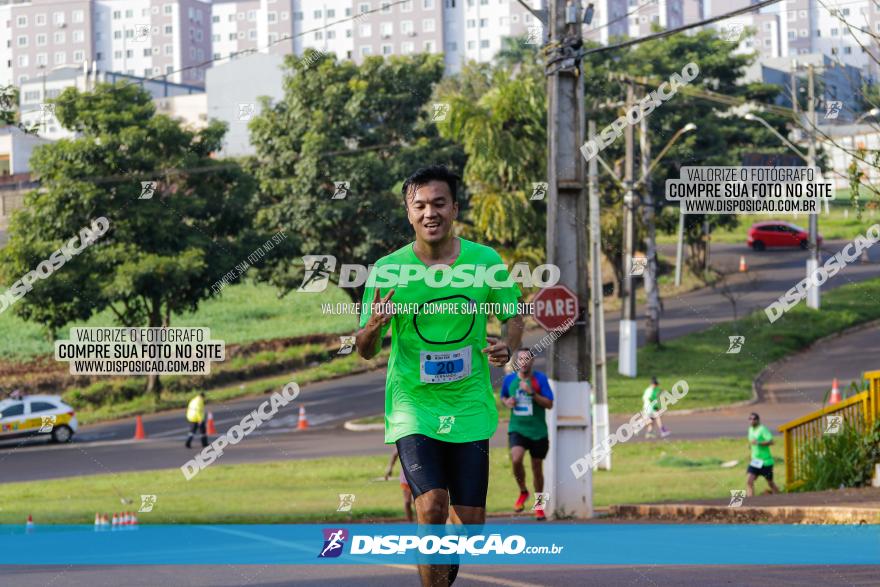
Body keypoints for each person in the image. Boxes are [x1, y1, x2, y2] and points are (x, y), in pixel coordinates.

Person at [356, 165, 524, 587]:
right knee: (431, 505)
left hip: (468, 404)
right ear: (408, 213)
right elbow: (365, 350)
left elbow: (513, 313)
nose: (430, 213)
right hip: (413, 403)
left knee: (470, 526)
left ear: (454, 208)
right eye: (420, 205)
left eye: (438, 203)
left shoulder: (484, 262)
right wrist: (374, 326)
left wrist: (510, 347)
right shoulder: (388, 270)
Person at [500, 349, 553, 521]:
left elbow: (550, 403)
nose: (524, 362)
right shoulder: (509, 379)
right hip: (518, 428)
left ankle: (539, 507)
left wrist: (532, 393)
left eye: (527, 359)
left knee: (537, 469)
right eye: (520, 359)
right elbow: (503, 397)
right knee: (516, 459)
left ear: (532, 361)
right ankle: (523, 491)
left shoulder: (540, 379)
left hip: (538, 432)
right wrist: (507, 402)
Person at [746, 412, 780, 496]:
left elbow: (771, 441)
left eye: (754, 419)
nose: (752, 421)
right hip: (755, 461)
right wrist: (750, 446)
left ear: (758, 420)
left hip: (766, 461)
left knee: (770, 483)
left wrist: (758, 443)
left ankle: (780, 497)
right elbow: (752, 442)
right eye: (750, 419)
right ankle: (750, 502)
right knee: (749, 481)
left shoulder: (762, 429)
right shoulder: (750, 429)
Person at [385, 447, 414, 522]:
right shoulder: (403, 441)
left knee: (416, 502)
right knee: (407, 502)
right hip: (406, 477)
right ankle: (410, 524)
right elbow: (395, 454)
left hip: (419, 476)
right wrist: (390, 468)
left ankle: (420, 523)